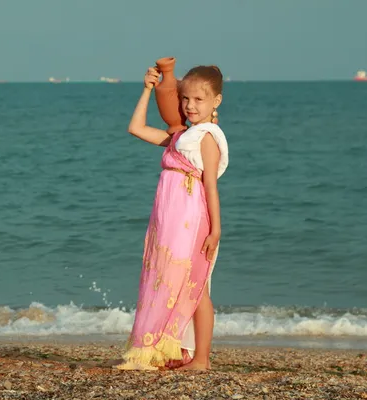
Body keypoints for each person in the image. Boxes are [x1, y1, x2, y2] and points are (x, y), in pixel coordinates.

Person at [116, 64, 229, 371]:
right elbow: (136, 128)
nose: (190, 106)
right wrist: (148, 89)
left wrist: (216, 229)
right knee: (168, 281)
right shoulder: (183, 135)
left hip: (191, 221)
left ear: (216, 101)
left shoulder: (207, 136)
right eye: (185, 99)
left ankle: (202, 359)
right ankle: (174, 350)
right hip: (168, 220)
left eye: (199, 100)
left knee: (195, 286)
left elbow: (211, 186)